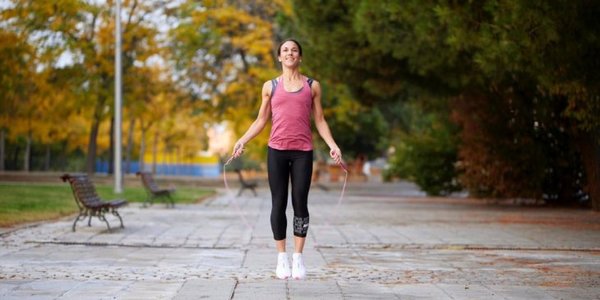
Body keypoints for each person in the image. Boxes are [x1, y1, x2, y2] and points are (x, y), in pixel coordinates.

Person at [231, 39, 342, 280]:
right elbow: (261, 120)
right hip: (277, 151)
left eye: (294, 50)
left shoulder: (312, 86)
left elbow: (320, 120)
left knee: (300, 201)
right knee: (278, 203)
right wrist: (242, 140)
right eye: (285, 50)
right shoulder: (270, 86)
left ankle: (298, 258)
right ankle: (282, 258)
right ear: (279, 57)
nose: (289, 53)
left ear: (300, 57)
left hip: (303, 152)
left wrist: (333, 145)